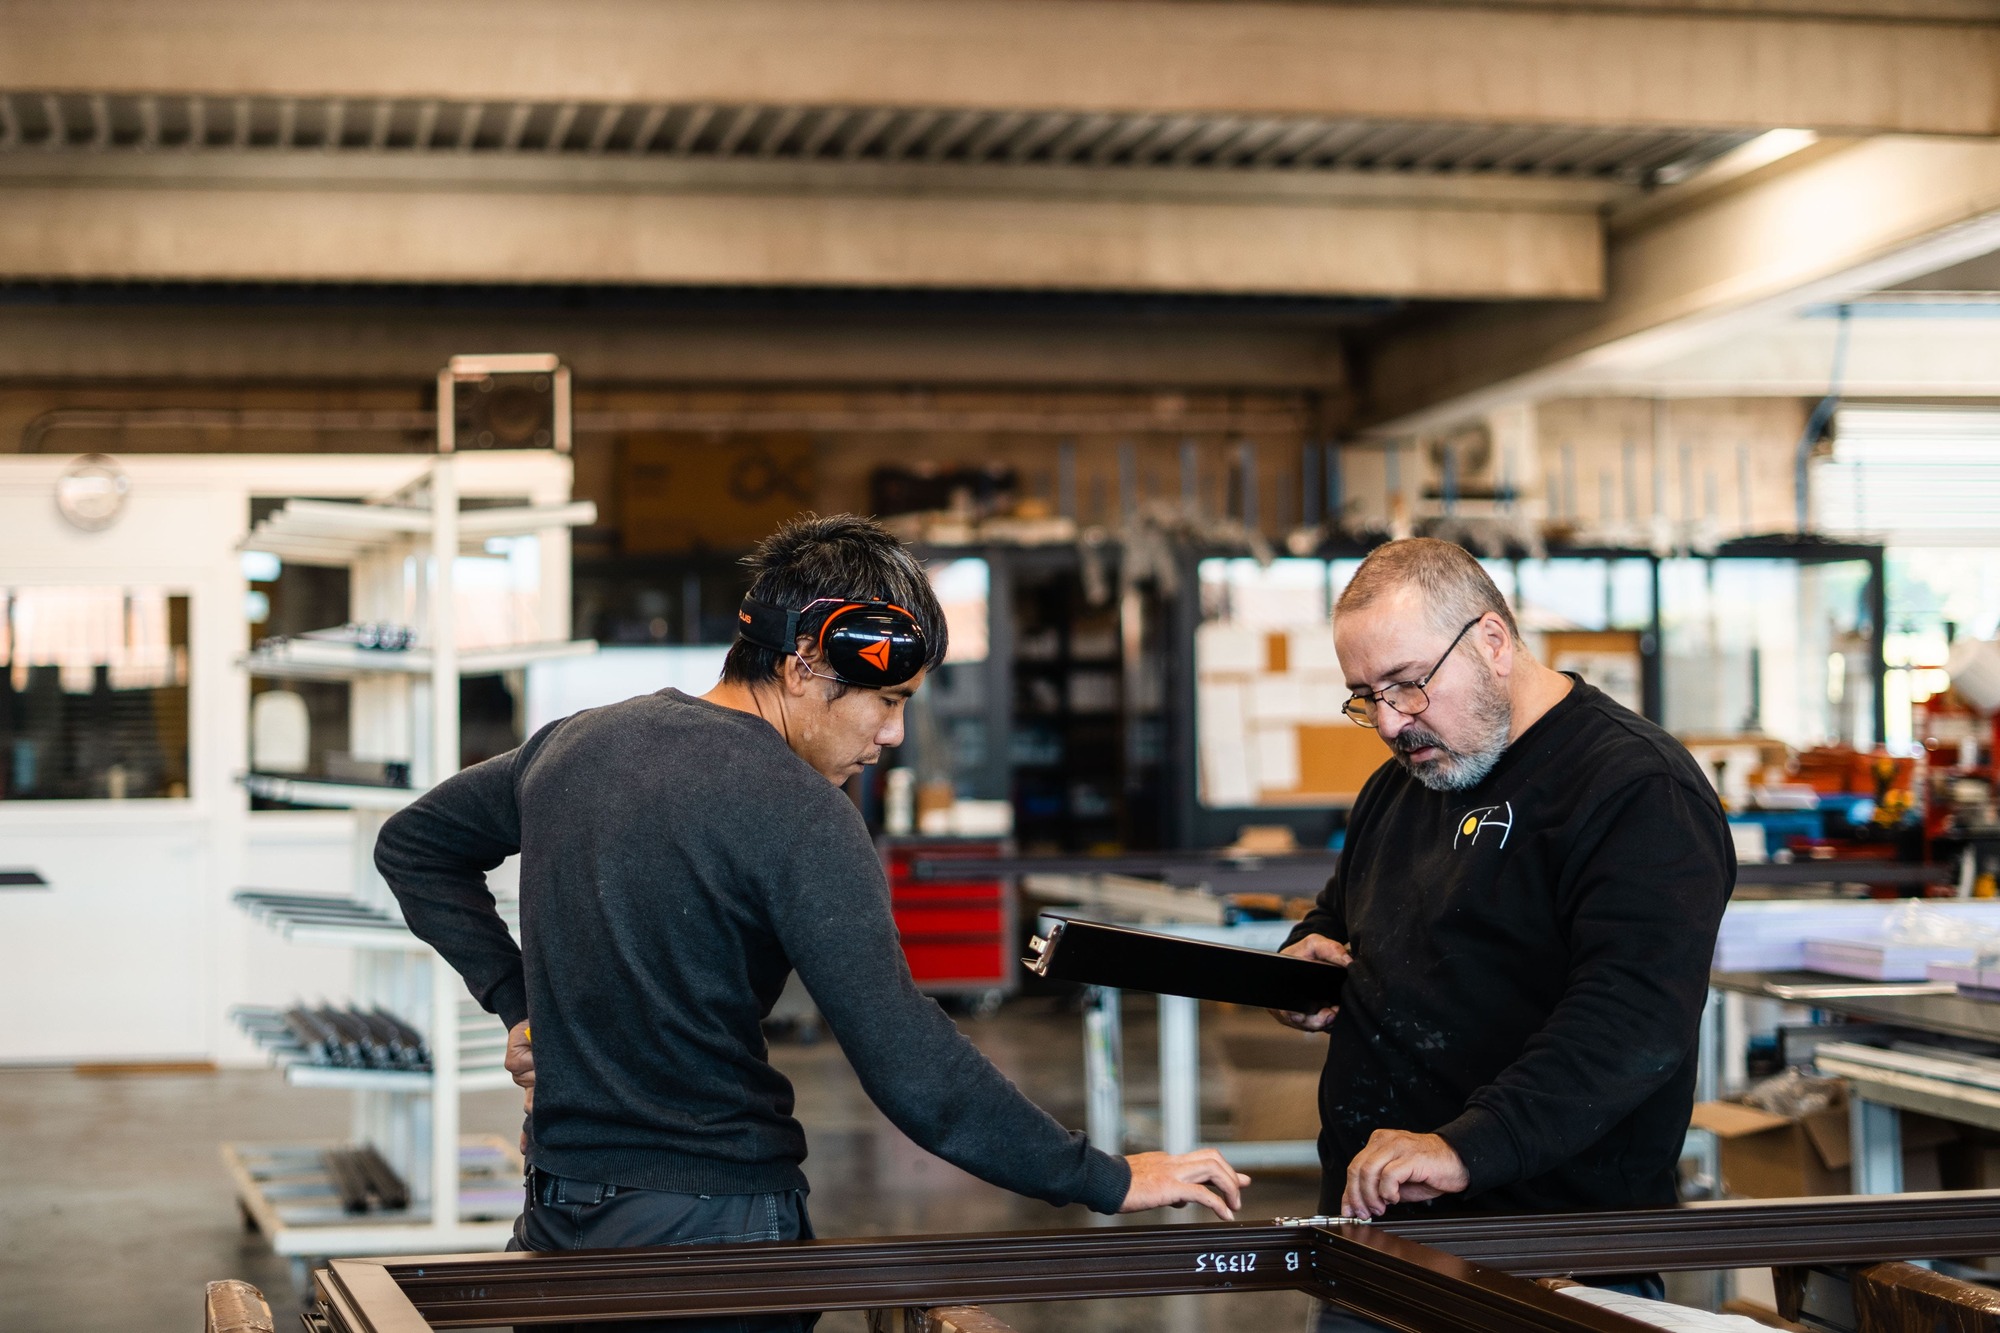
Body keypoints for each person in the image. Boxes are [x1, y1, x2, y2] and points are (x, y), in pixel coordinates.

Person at [375, 513, 1247, 1333]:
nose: (894, 734)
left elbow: (412, 845)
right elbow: (909, 1060)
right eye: (887, 699)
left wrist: (520, 1003)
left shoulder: (574, 744)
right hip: (716, 1236)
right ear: (803, 669)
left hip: (562, 1220)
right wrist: (1104, 1175)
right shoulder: (801, 811)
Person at [1272, 538, 1733, 1327]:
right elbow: (1345, 910)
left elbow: (1631, 1023)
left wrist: (1465, 1147)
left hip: (1545, 1252)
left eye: (1409, 684)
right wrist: (1306, 954)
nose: (1390, 721)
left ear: (1491, 640)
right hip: (1372, 1236)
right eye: (1365, 696)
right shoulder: (1409, 778)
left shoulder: (1635, 788)